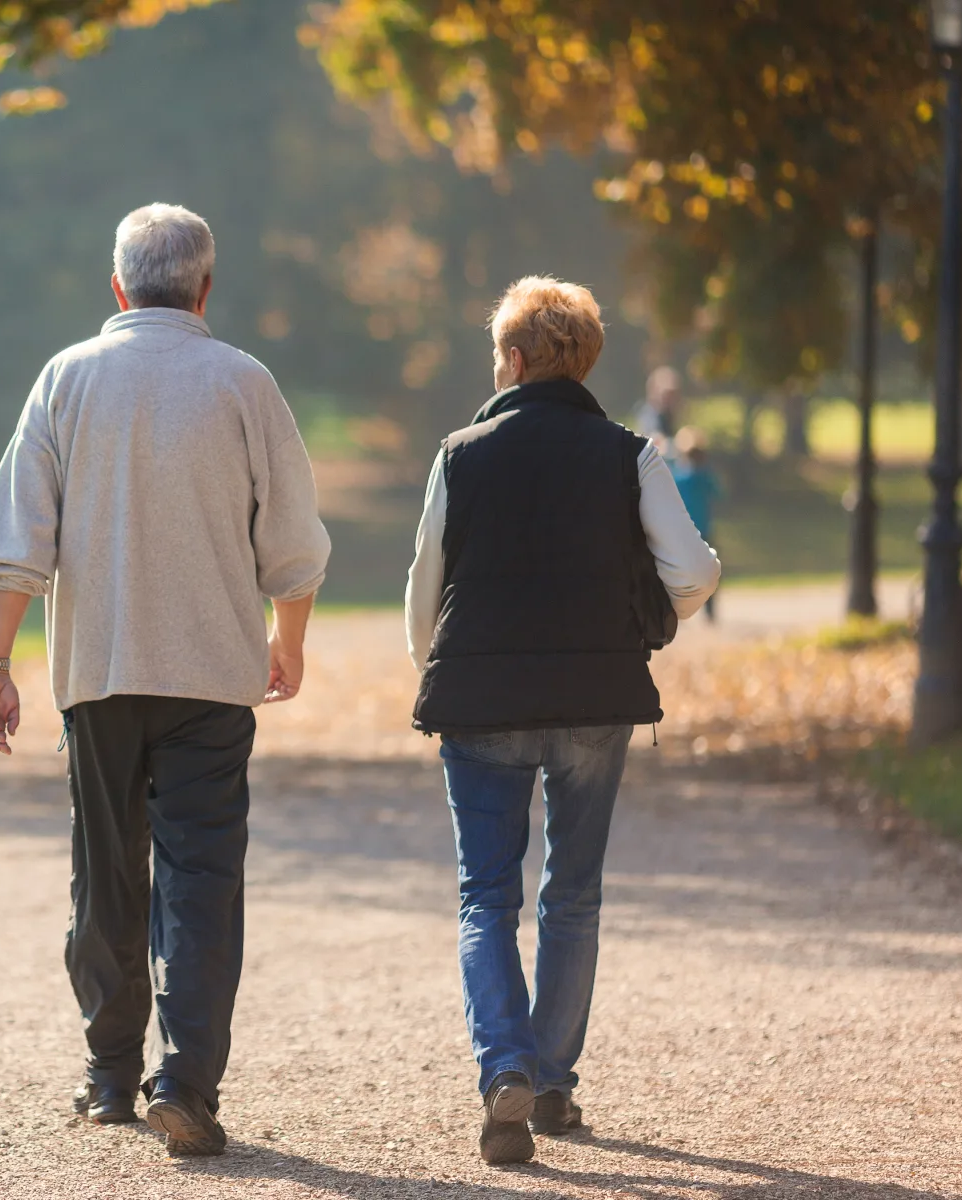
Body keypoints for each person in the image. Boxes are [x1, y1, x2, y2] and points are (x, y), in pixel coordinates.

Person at [0, 203, 332, 1157]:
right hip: (213, 678)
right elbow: (293, 544)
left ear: (119, 287)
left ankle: (108, 1074)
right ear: (205, 287)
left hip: (98, 677)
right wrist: (286, 640)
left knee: (106, 878)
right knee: (204, 882)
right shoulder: (245, 383)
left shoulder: (67, 379)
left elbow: (18, 543)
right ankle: (188, 1082)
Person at [404, 277, 720, 1166]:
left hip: (480, 701)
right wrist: (652, 613)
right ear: (585, 360)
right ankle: (550, 1083)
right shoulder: (630, 453)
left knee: (484, 895)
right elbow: (692, 574)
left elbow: (424, 590)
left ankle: (503, 1065)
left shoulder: (459, 453)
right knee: (572, 894)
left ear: (509, 358)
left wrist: (440, 666)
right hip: (595, 696)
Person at [669, 427, 723, 621]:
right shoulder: (704, 476)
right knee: (709, 571)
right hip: (704, 529)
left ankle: (675, 611)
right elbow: (719, 493)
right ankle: (710, 613)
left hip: (683, 532)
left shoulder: (678, 476)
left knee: (678, 572)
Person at [636, 365, 683, 446]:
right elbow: (655, 441)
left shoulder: (668, 415)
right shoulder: (648, 415)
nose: (672, 398)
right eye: (668, 394)